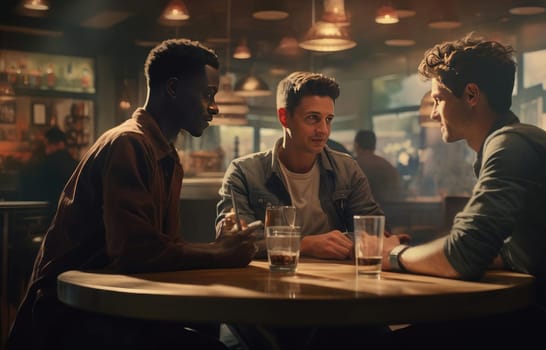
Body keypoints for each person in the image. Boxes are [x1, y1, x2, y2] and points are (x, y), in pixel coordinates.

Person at [8, 38, 257, 350]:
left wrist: (221, 250)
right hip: (70, 315)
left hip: (113, 304)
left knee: (213, 330)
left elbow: (163, 247)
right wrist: (219, 252)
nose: (215, 106)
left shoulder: (165, 154)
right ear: (173, 89)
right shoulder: (129, 143)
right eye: (207, 93)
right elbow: (134, 252)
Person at [379, 34, 546, 349]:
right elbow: (499, 251)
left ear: (471, 95)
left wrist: (393, 256)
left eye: (438, 99)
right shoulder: (511, 142)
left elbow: (463, 256)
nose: (433, 113)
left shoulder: (510, 145)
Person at [216, 71, 407, 260]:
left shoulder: (346, 169)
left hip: (337, 281)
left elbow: (376, 232)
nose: (323, 130)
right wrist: (304, 244)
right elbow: (232, 242)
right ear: (284, 117)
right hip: (271, 280)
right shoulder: (244, 172)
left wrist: (345, 242)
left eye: (328, 119)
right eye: (312, 118)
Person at [21, 127, 78, 224]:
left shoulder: (44, 165)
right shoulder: (77, 165)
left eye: (46, 145)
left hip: (49, 217)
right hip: (74, 217)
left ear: (59, 144)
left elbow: (30, 191)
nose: (46, 149)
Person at [353, 129, 401, 204]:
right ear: (374, 145)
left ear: (356, 145)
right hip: (391, 210)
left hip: (362, 212)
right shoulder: (387, 165)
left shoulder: (352, 165)